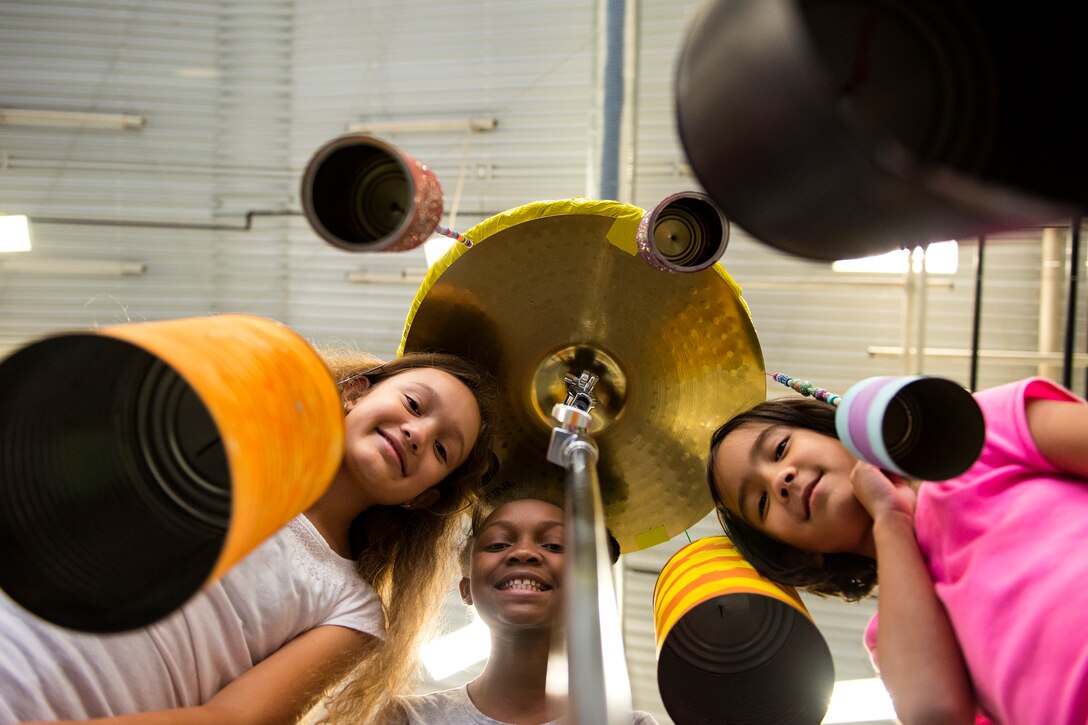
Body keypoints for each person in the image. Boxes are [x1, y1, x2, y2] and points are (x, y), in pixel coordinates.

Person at [0, 349, 498, 725]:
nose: (417, 432)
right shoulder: (205, 452)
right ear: (356, 393)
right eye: (413, 404)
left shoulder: (351, 611)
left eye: (441, 448)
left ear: (422, 498)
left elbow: (230, 720)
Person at [706, 376, 1088, 725]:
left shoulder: (978, 432)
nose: (780, 480)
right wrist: (890, 519)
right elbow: (934, 713)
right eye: (760, 503)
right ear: (798, 555)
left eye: (780, 449)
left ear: (830, 429)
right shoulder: (894, 635)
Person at [399, 489, 658, 725]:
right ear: (466, 588)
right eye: (499, 544)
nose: (524, 552)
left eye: (554, 545)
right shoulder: (406, 718)